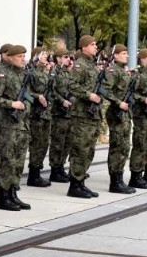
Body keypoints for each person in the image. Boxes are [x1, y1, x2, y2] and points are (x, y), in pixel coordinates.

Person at [0, 44, 33, 211]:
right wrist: (11, 103)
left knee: (18, 161)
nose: (23, 59)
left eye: (24, 56)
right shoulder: (0, 72)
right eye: (20, 56)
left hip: (21, 124)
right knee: (6, 161)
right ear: (10, 57)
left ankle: (13, 194)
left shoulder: (21, 74)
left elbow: (27, 96)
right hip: (6, 125)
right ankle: (3, 197)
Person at [62, 35, 103, 198]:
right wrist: (88, 95)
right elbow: (71, 85)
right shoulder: (80, 65)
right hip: (81, 114)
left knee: (89, 150)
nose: (95, 47)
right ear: (84, 47)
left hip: (91, 113)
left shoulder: (91, 65)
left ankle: (81, 182)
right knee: (80, 149)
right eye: (92, 44)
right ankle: (75, 185)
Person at [103, 44, 136, 194]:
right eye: (123, 53)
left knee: (124, 147)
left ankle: (119, 178)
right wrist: (118, 102)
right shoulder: (112, 70)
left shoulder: (122, 71)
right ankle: (115, 182)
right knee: (117, 147)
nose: (126, 56)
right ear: (115, 55)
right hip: (116, 113)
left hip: (124, 114)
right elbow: (105, 90)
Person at [128, 48, 147, 188]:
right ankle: (136, 175)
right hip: (141, 115)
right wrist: (144, 100)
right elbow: (131, 94)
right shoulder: (137, 76)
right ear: (142, 59)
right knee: (139, 145)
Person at [27, 47, 52, 187]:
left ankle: (37, 172)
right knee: (36, 144)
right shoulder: (30, 72)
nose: (46, 57)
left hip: (46, 113)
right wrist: (38, 97)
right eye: (43, 55)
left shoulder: (46, 72)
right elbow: (26, 91)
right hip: (36, 113)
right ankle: (33, 175)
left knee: (43, 144)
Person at [47, 48, 73, 184]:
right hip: (59, 112)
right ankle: (54, 170)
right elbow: (51, 91)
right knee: (58, 142)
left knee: (66, 143)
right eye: (66, 57)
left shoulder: (68, 73)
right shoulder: (54, 73)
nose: (69, 59)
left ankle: (61, 167)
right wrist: (62, 101)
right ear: (58, 59)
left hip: (69, 113)